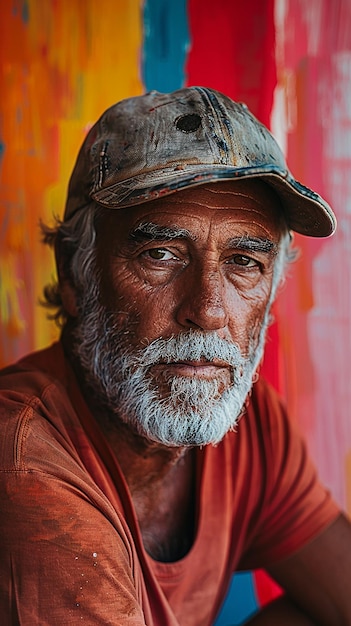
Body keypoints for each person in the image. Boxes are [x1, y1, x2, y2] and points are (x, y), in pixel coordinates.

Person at [0, 86, 350, 626]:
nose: (208, 310)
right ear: (74, 273)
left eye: (243, 262)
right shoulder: (25, 463)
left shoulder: (252, 428)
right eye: (160, 254)